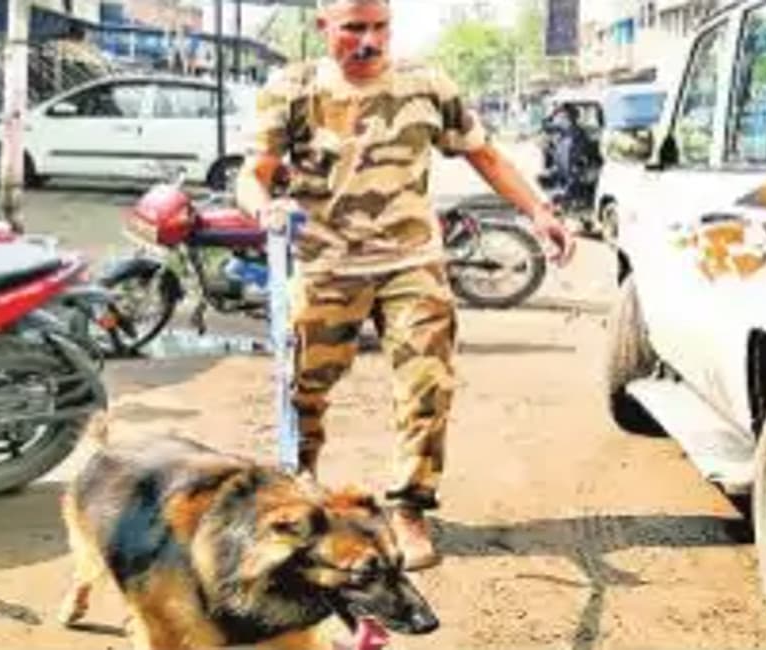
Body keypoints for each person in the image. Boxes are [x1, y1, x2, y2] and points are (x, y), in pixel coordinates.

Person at [235, 0, 575, 570]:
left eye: (379, 28)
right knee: (303, 391)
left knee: (427, 387)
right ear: (325, 28)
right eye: (352, 29)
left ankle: (408, 507)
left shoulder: (426, 85)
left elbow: (484, 155)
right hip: (327, 265)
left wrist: (538, 212)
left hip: (411, 262)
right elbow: (255, 171)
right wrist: (263, 207)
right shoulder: (293, 89)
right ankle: (301, 497)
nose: (368, 42)